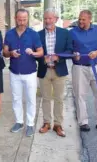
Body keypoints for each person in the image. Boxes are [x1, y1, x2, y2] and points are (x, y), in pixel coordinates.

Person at [3, 9, 44, 137]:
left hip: (30, 72)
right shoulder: (9, 34)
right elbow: (4, 52)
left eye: (24, 19)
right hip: (14, 72)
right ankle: (19, 122)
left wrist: (33, 53)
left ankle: (30, 124)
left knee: (31, 99)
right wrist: (11, 53)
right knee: (16, 98)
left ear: (28, 18)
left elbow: (41, 52)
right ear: (15, 18)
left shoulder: (33, 34)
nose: (22, 22)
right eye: (19, 19)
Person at [70, 10, 97, 132]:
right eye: (79, 19)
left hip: (96, 66)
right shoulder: (72, 32)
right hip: (79, 68)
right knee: (80, 95)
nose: (80, 21)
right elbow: (68, 49)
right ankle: (83, 122)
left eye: (83, 19)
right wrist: (73, 54)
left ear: (90, 19)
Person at [37, 8, 73, 137]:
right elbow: (36, 54)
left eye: (50, 18)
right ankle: (46, 123)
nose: (47, 21)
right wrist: (42, 59)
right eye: (45, 18)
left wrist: (59, 57)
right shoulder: (38, 34)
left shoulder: (65, 33)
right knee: (46, 99)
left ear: (56, 19)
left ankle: (58, 125)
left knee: (59, 99)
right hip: (44, 70)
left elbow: (70, 50)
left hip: (59, 70)